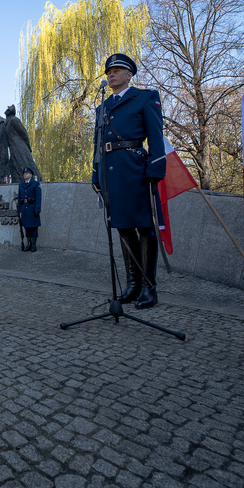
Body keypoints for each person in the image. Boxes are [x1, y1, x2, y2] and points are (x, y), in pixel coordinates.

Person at [92, 53, 166, 310]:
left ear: (129, 75)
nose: (111, 75)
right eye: (108, 72)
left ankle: (149, 286)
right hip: (111, 173)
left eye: (116, 70)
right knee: (123, 227)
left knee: (144, 227)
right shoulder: (102, 106)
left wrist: (155, 170)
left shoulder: (145, 98)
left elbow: (157, 137)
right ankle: (132, 284)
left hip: (135, 169)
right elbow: (98, 143)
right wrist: (95, 175)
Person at [16, 166, 42, 252]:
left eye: (27, 173)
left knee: (33, 227)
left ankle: (34, 244)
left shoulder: (35, 184)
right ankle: (29, 243)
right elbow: (20, 197)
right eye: (24, 173)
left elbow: (38, 197)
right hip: (25, 209)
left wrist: (37, 209)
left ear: (31, 175)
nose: (25, 175)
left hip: (32, 208)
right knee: (26, 227)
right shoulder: (21, 185)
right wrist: (19, 209)